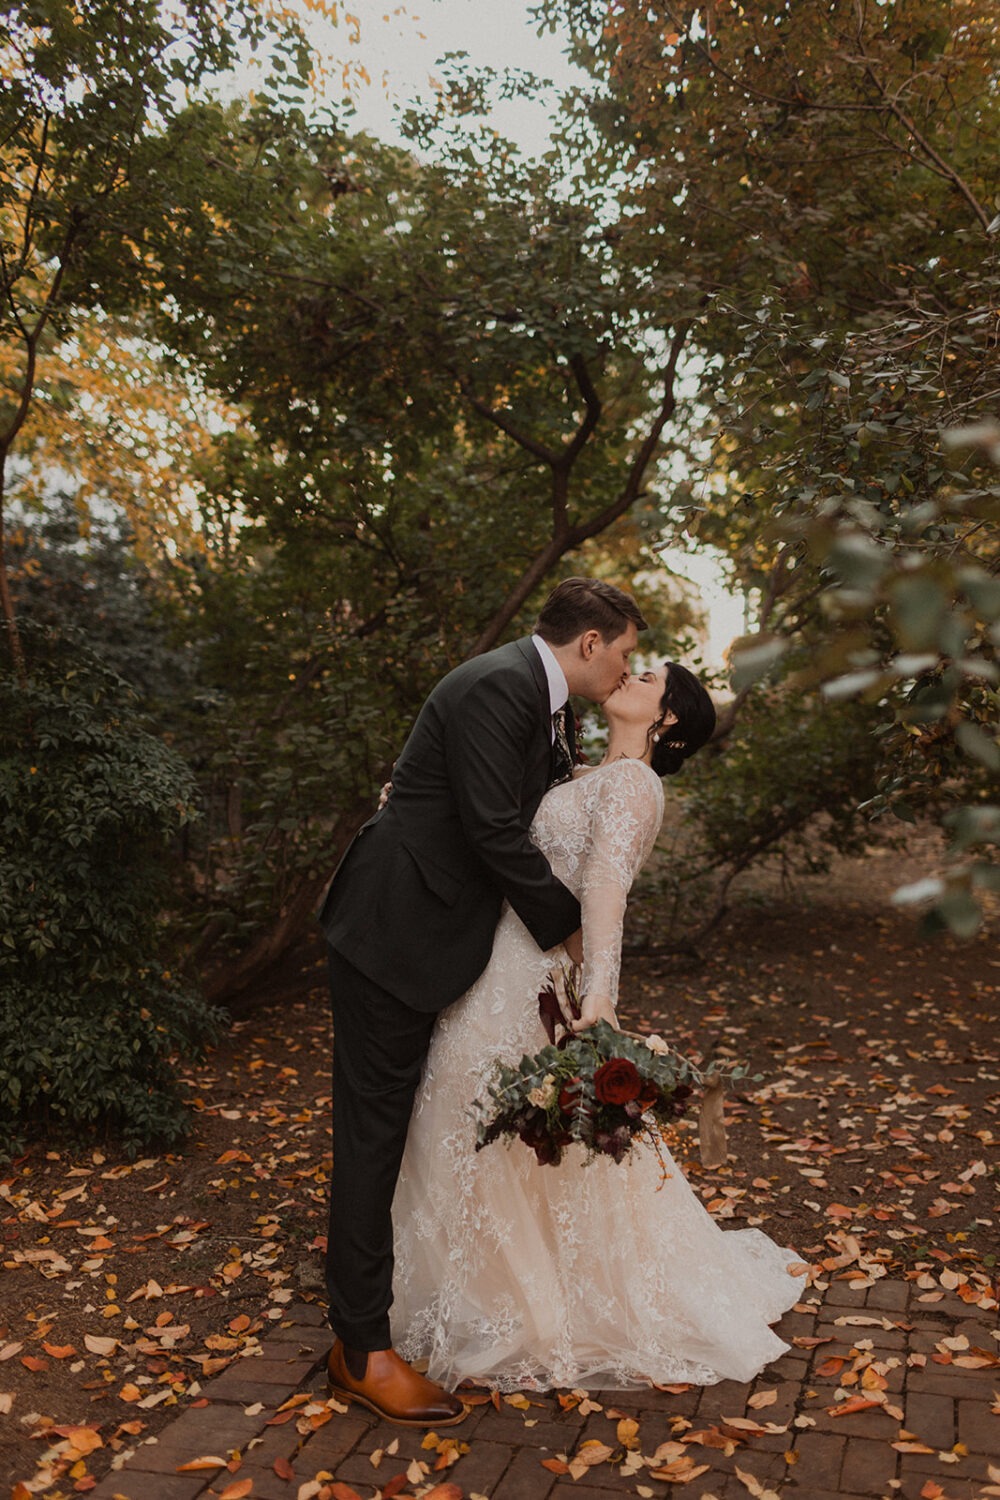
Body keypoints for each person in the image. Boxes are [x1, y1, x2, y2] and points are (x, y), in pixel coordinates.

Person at [390, 662, 805, 1392]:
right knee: (465, 1114)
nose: (627, 673)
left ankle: (525, 1305)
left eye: (647, 675)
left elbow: (606, 896)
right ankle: (480, 1288)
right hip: (494, 961)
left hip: (533, 977)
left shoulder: (633, 786)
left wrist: (601, 999)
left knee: (494, 1117)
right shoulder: (579, 771)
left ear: (668, 717)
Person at [317, 577, 648, 1426]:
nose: (625, 668)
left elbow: (511, 816)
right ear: (589, 643)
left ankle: (373, 1321)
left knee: (398, 1125)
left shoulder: (540, 706)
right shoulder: (499, 684)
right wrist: (576, 938)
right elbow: (494, 830)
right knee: (372, 1129)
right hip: (391, 932)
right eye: (623, 652)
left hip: (437, 937)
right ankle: (361, 1351)